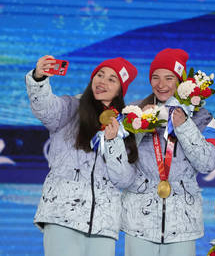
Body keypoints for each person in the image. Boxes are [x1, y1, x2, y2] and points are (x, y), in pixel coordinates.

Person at [103, 48, 215, 256]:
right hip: (138, 221)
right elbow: (121, 166)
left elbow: (208, 164)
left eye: (169, 78)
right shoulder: (134, 112)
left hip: (183, 224)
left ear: (181, 82)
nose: (161, 84)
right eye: (155, 77)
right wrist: (140, 125)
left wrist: (184, 126)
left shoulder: (202, 117)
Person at [26, 55, 138, 256]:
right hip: (62, 217)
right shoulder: (71, 108)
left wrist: (113, 143)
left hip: (103, 226)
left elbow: (124, 179)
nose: (102, 81)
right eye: (99, 75)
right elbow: (45, 108)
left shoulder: (126, 126)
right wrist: (39, 79)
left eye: (112, 79)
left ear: (121, 90)